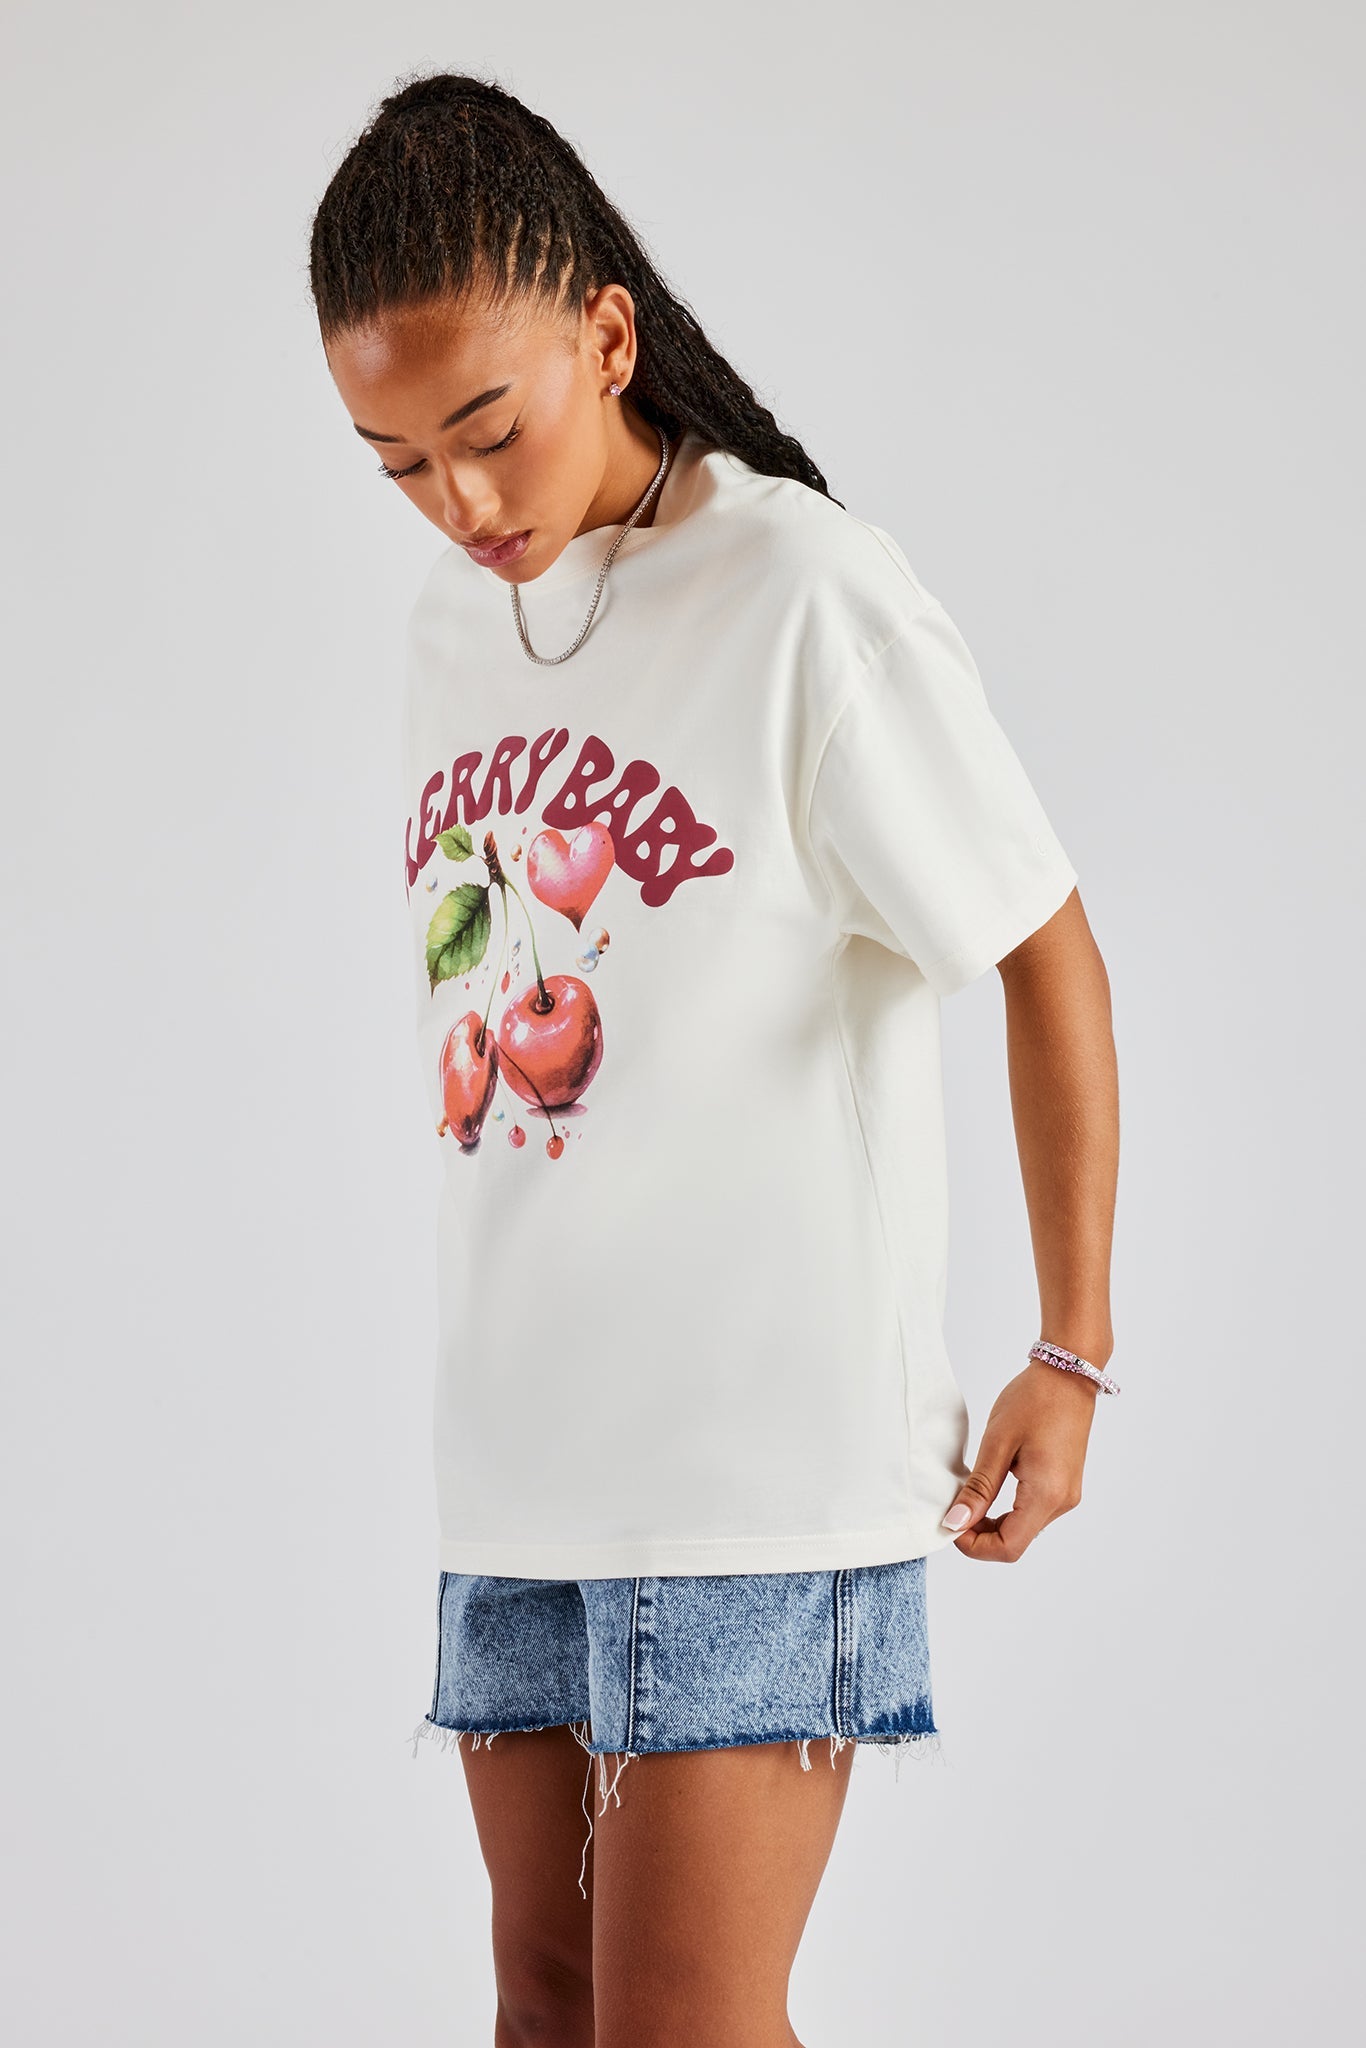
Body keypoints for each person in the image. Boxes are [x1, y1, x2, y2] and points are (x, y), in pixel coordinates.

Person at [308, 70, 1120, 2048]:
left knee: (681, 2024)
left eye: (486, 430)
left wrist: (1071, 1347)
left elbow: (1041, 948)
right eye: (398, 462)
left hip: (755, 1469)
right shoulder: (447, 634)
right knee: (544, 2007)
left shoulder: (801, 595)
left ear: (606, 334)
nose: (460, 506)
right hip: (518, 1462)